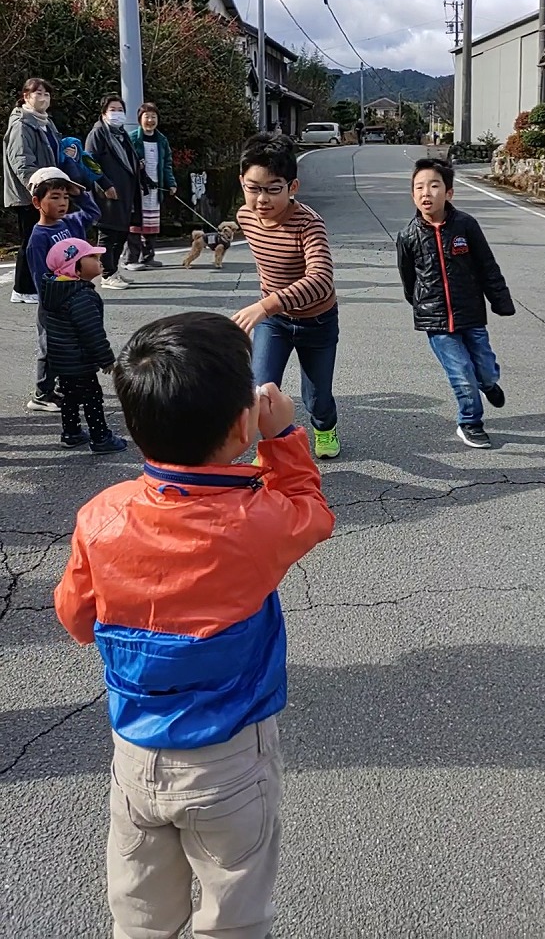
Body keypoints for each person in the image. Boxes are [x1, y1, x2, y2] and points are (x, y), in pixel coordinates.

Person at [54, 311, 334, 939]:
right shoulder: (256, 521)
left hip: (135, 755)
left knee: (141, 912)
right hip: (231, 757)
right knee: (232, 913)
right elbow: (313, 511)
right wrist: (285, 434)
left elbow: (76, 619)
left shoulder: (101, 515)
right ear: (244, 424)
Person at [233, 134, 341, 459]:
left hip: (317, 321)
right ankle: (273, 448)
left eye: (272, 189)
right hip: (275, 323)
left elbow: (321, 280)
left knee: (317, 396)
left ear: (292, 187)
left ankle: (324, 427)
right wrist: (270, 308)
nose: (261, 199)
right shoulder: (245, 217)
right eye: (253, 188)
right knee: (261, 391)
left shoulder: (310, 225)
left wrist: (266, 304)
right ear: (241, 182)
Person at [396, 158, 515, 449]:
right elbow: (409, 279)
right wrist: (423, 305)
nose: (426, 193)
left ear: (449, 193)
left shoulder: (466, 226)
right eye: (419, 187)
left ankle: (487, 384)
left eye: (434, 186)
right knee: (461, 373)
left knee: (485, 368)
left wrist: (500, 300)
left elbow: (487, 266)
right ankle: (470, 422)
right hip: (436, 321)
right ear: (413, 195)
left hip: (471, 313)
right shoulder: (408, 235)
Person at [2, 77, 103, 303]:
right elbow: (21, 162)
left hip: (48, 189)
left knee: (43, 240)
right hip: (31, 193)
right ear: (25, 97)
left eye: (46, 94)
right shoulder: (21, 125)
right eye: (38, 93)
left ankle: (37, 286)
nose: (43, 98)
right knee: (31, 241)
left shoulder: (45, 122)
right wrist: (37, 190)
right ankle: (24, 289)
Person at [25, 167, 101, 414]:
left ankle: (62, 385)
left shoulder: (70, 223)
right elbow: (41, 277)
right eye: (54, 197)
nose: (62, 203)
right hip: (54, 303)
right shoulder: (39, 237)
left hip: (75, 298)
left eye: (65, 197)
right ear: (37, 202)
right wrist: (53, 304)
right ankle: (41, 393)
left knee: (71, 345)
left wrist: (80, 192)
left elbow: (93, 212)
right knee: (49, 347)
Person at [41, 238, 127, 452]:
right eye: (92, 257)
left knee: (69, 396)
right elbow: (92, 333)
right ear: (75, 268)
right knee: (92, 397)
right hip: (79, 360)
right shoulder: (81, 297)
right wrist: (106, 359)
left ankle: (71, 432)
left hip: (61, 358)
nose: (100, 260)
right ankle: (100, 438)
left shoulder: (55, 290)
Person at [85, 94, 144, 290]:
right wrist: (105, 184)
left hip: (125, 193)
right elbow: (89, 162)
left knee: (120, 233)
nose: (117, 114)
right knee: (108, 234)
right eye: (113, 110)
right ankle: (107, 274)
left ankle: (114, 270)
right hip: (107, 193)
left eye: (120, 110)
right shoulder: (98, 134)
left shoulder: (122, 134)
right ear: (103, 113)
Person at [126, 102, 177, 270]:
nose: (150, 120)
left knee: (152, 223)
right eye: (147, 116)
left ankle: (148, 257)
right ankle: (131, 259)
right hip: (137, 189)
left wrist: (171, 183)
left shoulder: (161, 140)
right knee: (135, 224)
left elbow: (167, 164)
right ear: (140, 119)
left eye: (153, 117)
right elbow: (125, 161)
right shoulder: (132, 138)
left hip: (156, 188)